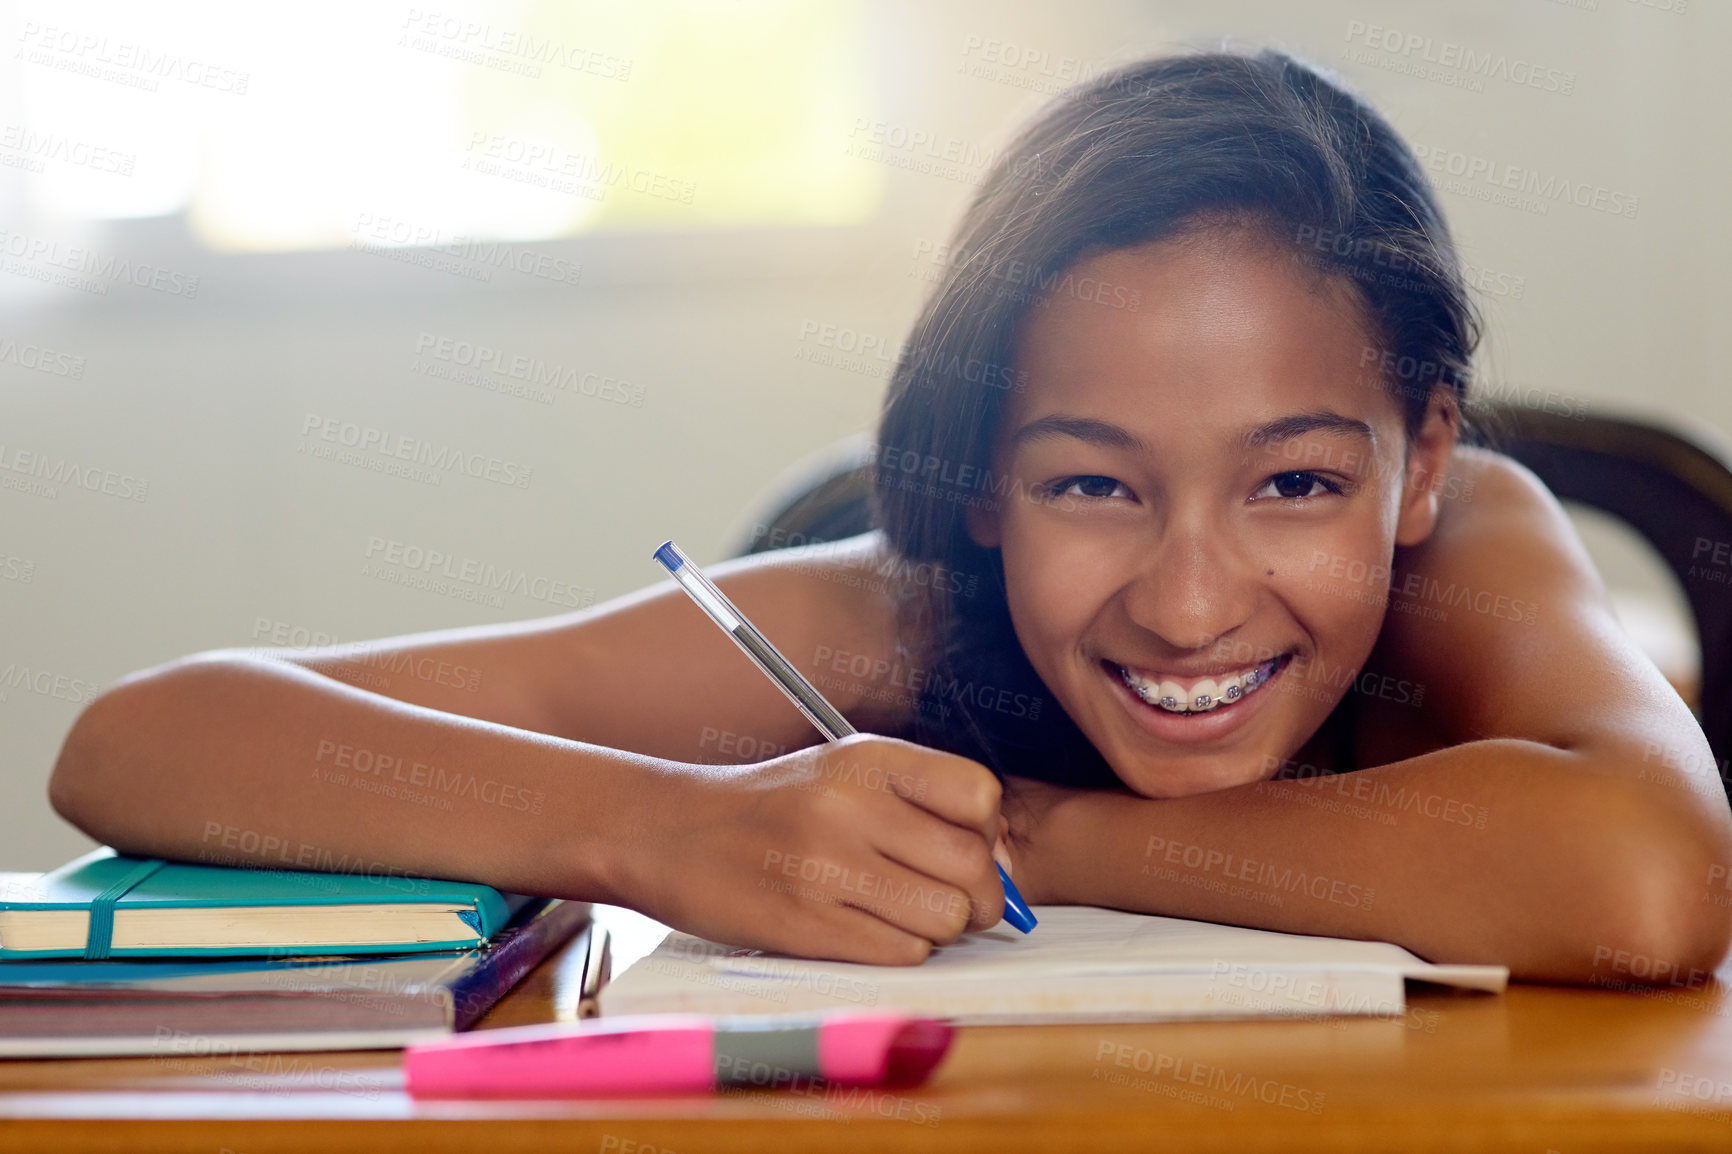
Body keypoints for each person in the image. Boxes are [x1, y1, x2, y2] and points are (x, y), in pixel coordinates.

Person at [47, 51, 1732, 985]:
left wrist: (1041, 836)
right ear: (982, 483)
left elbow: (1646, 882)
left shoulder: (1470, 557)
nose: (1194, 598)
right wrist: (663, 827)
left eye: (1296, 481)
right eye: (1090, 482)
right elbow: (143, 741)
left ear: (1421, 458)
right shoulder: (903, 615)